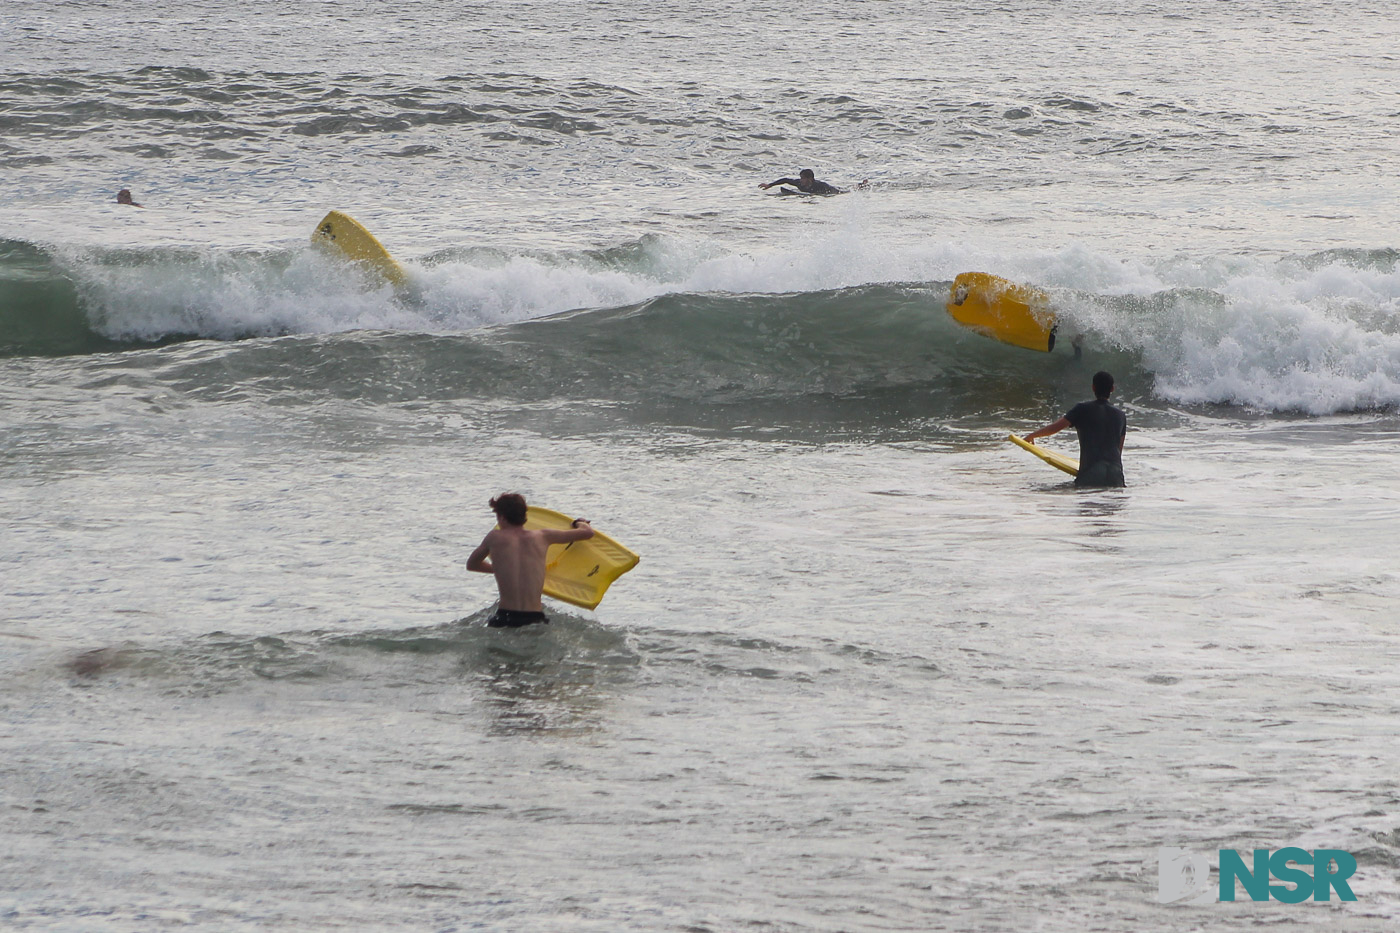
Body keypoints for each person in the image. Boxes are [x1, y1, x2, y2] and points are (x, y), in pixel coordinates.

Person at [466, 492, 594, 627]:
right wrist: (579, 522)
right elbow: (588, 533)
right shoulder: (543, 536)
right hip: (535, 618)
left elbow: (472, 564)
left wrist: (501, 569)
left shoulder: (494, 537)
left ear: (502, 517)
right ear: (524, 516)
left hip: (505, 616)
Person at [1022, 371, 1127, 487]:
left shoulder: (1082, 409)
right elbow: (1118, 450)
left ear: (1093, 387)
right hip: (1116, 476)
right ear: (1112, 389)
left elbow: (1055, 428)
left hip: (1092, 473)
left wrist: (1031, 436)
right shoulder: (1121, 415)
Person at [759, 168, 844, 196]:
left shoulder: (820, 185)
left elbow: (834, 191)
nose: (801, 180)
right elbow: (785, 180)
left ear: (810, 179)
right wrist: (770, 185)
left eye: (803, 178)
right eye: (801, 178)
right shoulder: (799, 183)